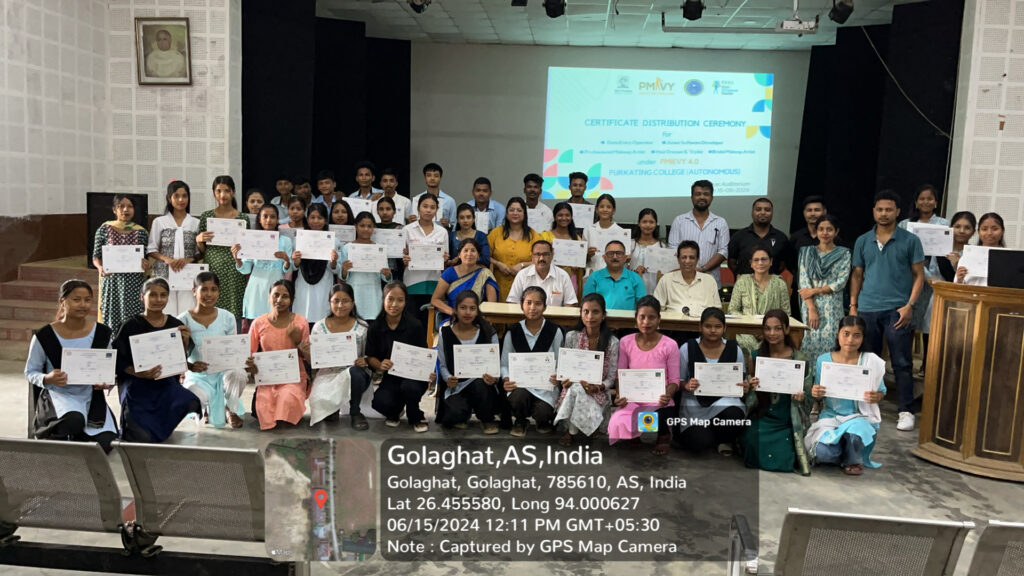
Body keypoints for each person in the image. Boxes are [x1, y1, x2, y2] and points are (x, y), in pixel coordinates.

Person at [850, 190, 924, 432]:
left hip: (897, 309)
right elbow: (857, 275)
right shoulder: (863, 240)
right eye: (880, 209)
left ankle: (906, 411)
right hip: (867, 308)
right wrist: (853, 305)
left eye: (889, 209)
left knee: (901, 362)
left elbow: (919, 275)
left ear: (897, 212)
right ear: (874, 211)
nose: (884, 214)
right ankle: (865, 407)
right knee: (867, 359)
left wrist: (910, 305)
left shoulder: (910, 240)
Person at [24, 280, 118, 452]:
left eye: (87, 300)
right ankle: (60, 433)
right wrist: (47, 378)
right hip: (59, 395)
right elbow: (30, 372)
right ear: (62, 301)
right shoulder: (45, 336)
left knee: (105, 444)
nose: (83, 305)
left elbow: (109, 370)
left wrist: (108, 381)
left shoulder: (102, 333)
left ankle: (75, 437)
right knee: (73, 421)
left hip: (91, 397)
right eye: (76, 299)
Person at [113, 278, 201, 443]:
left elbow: (179, 359)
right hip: (136, 384)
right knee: (141, 437)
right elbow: (117, 359)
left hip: (165, 381)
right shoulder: (130, 325)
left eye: (163, 295)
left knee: (190, 401)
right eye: (152, 295)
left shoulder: (175, 324)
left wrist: (185, 341)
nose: (158, 299)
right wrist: (139, 373)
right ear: (142, 297)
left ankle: (162, 426)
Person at [805, 315, 887, 476]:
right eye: (846, 334)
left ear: (863, 338)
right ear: (838, 334)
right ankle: (843, 448)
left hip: (859, 417)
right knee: (823, 453)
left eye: (857, 335)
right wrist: (816, 393)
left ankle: (852, 459)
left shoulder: (870, 361)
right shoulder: (824, 360)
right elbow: (818, 397)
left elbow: (881, 392)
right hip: (831, 418)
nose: (850, 340)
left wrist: (875, 397)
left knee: (855, 434)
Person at [741, 310, 813, 475]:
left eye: (777, 328)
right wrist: (751, 387)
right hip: (763, 414)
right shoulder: (756, 356)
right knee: (752, 441)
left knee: (784, 457)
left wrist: (801, 397)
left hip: (787, 418)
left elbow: (809, 397)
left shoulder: (800, 359)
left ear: (786, 329)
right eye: (767, 328)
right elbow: (749, 395)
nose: (772, 333)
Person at [607, 296, 680, 455]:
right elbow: (620, 374)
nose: (646, 322)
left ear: (659, 319)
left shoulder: (670, 345)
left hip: (658, 400)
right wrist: (620, 395)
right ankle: (634, 434)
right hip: (632, 399)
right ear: (636, 318)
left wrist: (667, 395)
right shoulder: (625, 342)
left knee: (658, 415)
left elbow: (674, 380)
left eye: (651, 317)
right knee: (617, 422)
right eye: (642, 317)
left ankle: (663, 435)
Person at [178, 272, 247, 429]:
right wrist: (186, 345)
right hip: (198, 376)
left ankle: (230, 409)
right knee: (193, 397)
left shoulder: (227, 317)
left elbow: (234, 349)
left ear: (219, 291)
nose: (209, 294)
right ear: (194, 291)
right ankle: (203, 409)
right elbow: (177, 357)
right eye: (204, 289)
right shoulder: (183, 320)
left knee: (239, 374)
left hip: (224, 372)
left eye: (214, 289)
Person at [677, 307, 748, 455]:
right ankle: (706, 434)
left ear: (724, 328)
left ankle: (724, 438)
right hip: (695, 405)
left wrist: (745, 386)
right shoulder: (687, 348)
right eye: (708, 326)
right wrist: (686, 385)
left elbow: (742, 380)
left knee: (734, 415)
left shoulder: (735, 349)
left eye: (718, 326)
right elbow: (678, 381)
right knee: (700, 443)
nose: (713, 330)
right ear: (700, 327)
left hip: (724, 402)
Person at [367, 282, 434, 432]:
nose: (394, 304)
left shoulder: (415, 325)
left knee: (409, 387)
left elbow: (424, 355)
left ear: (405, 302)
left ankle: (415, 414)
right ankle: (395, 412)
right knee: (380, 402)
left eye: (400, 300)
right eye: (390, 299)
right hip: (391, 377)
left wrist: (428, 371)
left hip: (414, 377)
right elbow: (370, 357)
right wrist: (380, 365)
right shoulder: (375, 327)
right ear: (383, 300)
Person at [245, 280, 311, 430]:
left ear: (292, 299)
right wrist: (250, 366)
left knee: (287, 398)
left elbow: (309, 358)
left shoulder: (300, 322)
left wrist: (298, 341)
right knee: (263, 407)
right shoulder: (258, 323)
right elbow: (248, 353)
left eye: (285, 296)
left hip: (294, 377)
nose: (279, 300)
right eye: (276, 295)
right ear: (269, 296)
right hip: (268, 377)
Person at [897, 184, 949, 373]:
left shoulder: (943, 224)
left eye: (930, 198)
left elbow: (943, 252)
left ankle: (928, 365)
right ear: (916, 202)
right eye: (922, 198)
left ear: (936, 202)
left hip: (935, 279)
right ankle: (905, 363)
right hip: (910, 278)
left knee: (930, 323)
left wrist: (930, 275)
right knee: (907, 322)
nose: (926, 202)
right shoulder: (904, 225)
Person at [554, 294, 618, 446]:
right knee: (577, 388)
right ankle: (583, 429)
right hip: (573, 387)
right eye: (586, 311)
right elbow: (565, 368)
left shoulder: (613, 342)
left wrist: (597, 387)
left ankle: (570, 431)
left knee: (579, 390)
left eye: (595, 312)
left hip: (599, 390)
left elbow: (610, 378)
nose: (590, 316)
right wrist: (564, 380)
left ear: (603, 315)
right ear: (581, 314)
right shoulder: (571, 337)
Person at [500, 286, 564, 437]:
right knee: (518, 398)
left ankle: (543, 421)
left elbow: (561, 362)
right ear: (521, 305)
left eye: (538, 303)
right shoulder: (513, 332)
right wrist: (506, 378)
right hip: (521, 385)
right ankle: (520, 420)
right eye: (528, 303)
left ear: (545, 307)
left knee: (543, 411)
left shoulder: (554, 331)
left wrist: (558, 375)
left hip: (545, 387)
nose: (533, 308)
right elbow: (504, 364)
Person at [307, 283, 372, 430]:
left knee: (355, 372)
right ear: (329, 302)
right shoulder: (319, 327)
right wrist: (307, 352)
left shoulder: (362, 327)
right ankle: (333, 407)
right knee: (326, 414)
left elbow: (369, 356)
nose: (340, 305)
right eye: (336, 301)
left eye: (345, 301)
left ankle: (355, 412)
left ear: (352, 303)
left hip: (355, 376)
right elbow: (314, 361)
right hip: (327, 375)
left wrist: (365, 360)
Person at [436, 291, 501, 433]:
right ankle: (463, 414)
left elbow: (496, 365)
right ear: (455, 309)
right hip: (457, 386)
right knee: (453, 416)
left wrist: (494, 378)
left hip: (482, 384)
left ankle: (486, 419)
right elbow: (442, 364)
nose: (467, 312)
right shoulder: (445, 333)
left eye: (472, 308)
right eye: (463, 307)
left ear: (477, 311)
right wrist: (448, 378)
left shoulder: (488, 332)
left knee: (480, 385)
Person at [92, 194, 151, 337]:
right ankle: (113, 345)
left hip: (134, 283)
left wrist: (146, 264)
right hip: (112, 282)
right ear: (114, 210)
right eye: (121, 206)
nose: (126, 210)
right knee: (112, 316)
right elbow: (96, 257)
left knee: (133, 318)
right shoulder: (104, 229)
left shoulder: (141, 232)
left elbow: (146, 258)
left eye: (129, 206)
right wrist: (100, 268)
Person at [797, 214, 851, 363]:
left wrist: (815, 290)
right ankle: (810, 376)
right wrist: (811, 308)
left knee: (831, 341)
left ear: (836, 231)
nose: (825, 233)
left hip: (832, 305)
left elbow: (840, 282)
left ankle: (827, 374)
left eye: (829, 229)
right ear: (816, 231)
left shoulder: (843, 253)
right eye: (821, 229)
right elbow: (804, 282)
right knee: (810, 340)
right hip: (810, 304)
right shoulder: (807, 253)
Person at [232, 205, 293, 334]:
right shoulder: (251, 240)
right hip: (256, 291)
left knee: (277, 332)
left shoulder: (285, 241)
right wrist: (237, 259)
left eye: (273, 217)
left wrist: (286, 260)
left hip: (277, 290)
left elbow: (288, 269)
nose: (269, 220)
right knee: (256, 332)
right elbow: (246, 269)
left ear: (277, 219)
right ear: (259, 219)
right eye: (265, 216)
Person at [196, 175, 249, 323]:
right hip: (213, 266)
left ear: (233, 192)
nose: (222, 195)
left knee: (234, 306)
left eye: (226, 190)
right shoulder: (206, 216)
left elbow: (247, 250)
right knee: (210, 300)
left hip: (234, 270)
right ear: (214, 193)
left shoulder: (243, 218)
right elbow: (202, 251)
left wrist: (240, 248)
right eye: (218, 191)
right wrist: (199, 240)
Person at [148, 180, 200, 316]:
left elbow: (199, 252)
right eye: (176, 196)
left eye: (184, 196)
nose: (181, 200)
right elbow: (151, 249)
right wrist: (167, 259)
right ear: (169, 198)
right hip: (164, 274)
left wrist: (189, 259)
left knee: (187, 311)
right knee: (166, 311)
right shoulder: (159, 222)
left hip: (187, 274)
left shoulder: (195, 223)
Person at [667, 180, 730, 286]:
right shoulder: (679, 221)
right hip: (682, 282)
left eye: (706, 194)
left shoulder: (721, 222)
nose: (702, 197)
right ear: (691, 197)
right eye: (698, 194)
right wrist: (690, 269)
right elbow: (673, 249)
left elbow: (724, 251)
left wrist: (703, 269)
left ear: (712, 198)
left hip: (710, 281)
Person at [730, 246, 791, 352]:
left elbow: (786, 313)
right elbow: (732, 310)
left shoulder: (780, 284)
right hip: (746, 331)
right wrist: (751, 324)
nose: (760, 263)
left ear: (771, 262)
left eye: (764, 259)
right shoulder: (742, 282)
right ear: (751, 263)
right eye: (756, 260)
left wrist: (768, 329)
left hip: (773, 332)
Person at [403, 194, 450, 327]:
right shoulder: (407, 230)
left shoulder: (442, 232)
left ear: (437, 210)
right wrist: (405, 259)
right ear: (418, 208)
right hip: (412, 282)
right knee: (412, 322)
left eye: (432, 207)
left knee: (430, 324)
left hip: (434, 282)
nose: (428, 210)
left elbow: (445, 258)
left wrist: (445, 259)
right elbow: (402, 256)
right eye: (425, 206)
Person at [292, 203, 339, 325]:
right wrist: (295, 262)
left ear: (326, 220)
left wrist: (334, 263)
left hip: (324, 284)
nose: (316, 221)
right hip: (303, 283)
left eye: (320, 218)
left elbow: (337, 270)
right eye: (312, 217)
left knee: (322, 319)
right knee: (302, 319)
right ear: (307, 219)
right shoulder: (298, 240)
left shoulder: (333, 241)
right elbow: (292, 267)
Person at [432, 238, 499, 324]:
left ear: (478, 255)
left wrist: (480, 318)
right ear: (459, 255)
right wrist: (453, 312)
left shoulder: (485, 274)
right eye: (465, 250)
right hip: (453, 318)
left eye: (473, 251)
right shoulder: (449, 272)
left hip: (478, 319)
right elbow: (435, 300)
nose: (469, 254)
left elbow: (492, 304)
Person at [339, 211, 392, 318]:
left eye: (369, 226)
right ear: (355, 226)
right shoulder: (347, 248)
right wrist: (344, 270)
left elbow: (386, 278)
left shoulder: (379, 249)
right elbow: (343, 277)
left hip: (373, 293)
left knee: (373, 322)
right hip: (354, 291)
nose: (366, 229)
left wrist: (387, 274)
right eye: (362, 226)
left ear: (374, 228)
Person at [489, 197, 542, 301]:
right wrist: (497, 264)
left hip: (525, 286)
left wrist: (523, 265)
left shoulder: (533, 235)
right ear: (506, 213)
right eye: (512, 210)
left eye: (519, 210)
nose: (515, 213)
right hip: (498, 284)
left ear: (524, 213)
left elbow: (540, 259)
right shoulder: (496, 233)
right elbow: (484, 255)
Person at [653, 241, 722, 316]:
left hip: (703, 322)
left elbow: (718, 310)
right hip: (673, 322)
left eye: (692, 258)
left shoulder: (709, 281)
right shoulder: (666, 280)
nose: (687, 261)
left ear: (697, 259)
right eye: (684, 257)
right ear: (678, 259)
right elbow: (656, 309)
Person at [788, 195, 829, 320]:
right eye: (809, 210)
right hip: (800, 292)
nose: (813, 213)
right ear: (804, 213)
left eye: (817, 210)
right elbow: (790, 264)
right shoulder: (796, 238)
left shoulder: (833, 239)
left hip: (825, 293)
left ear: (824, 212)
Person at [506, 239, 578, 307]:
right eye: (537, 254)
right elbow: (512, 301)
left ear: (552, 255)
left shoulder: (563, 275)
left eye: (545, 254)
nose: (541, 258)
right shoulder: (522, 275)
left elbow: (571, 303)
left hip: (555, 316)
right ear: (532, 256)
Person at [728, 197, 789, 276]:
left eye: (767, 210)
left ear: (772, 213)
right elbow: (731, 263)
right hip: (744, 282)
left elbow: (782, 266)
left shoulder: (781, 238)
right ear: (752, 212)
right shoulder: (738, 236)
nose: (763, 212)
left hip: (771, 282)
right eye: (758, 209)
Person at [583, 240, 646, 310]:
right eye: (611, 253)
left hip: (628, 317)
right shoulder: (594, 277)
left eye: (619, 253)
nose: (615, 257)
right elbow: (587, 305)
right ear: (604, 257)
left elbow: (643, 306)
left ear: (625, 258)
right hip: (601, 317)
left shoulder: (635, 278)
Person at [582, 194, 630, 275]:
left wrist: (626, 258)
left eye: (608, 207)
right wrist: (588, 255)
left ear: (613, 210)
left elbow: (624, 260)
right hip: (593, 274)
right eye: (601, 207)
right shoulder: (588, 230)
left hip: (614, 276)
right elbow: (581, 259)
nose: (605, 209)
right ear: (596, 209)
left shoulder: (621, 232)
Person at [956, 212, 1007, 284]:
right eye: (984, 229)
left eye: (995, 229)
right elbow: (958, 285)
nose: (989, 233)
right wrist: (959, 279)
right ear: (979, 231)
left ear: (1002, 231)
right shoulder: (968, 256)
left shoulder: (1008, 257)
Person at [545, 202, 584, 293]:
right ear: (554, 217)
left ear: (571, 217)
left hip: (571, 280)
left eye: (567, 215)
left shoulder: (577, 239)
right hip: (550, 280)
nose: (564, 218)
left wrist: (577, 265)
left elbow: (580, 264)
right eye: (560, 215)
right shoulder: (545, 237)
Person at [629, 208, 668, 296]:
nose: (648, 225)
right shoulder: (630, 244)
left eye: (651, 222)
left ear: (656, 224)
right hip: (632, 286)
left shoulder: (661, 246)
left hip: (654, 287)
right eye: (644, 222)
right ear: (639, 223)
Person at [410, 163, 456, 228]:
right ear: (425, 178)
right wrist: (411, 220)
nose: (432, 178)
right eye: (429, 175)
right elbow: (412, 223)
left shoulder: (449, 201)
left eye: (436, 176)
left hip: (442, 233)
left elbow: (454, 225)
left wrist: (447, 224)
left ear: (440, 178)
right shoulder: (417, 199)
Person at [936, 211, 977, 282]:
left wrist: (958, 265)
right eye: (957, 227)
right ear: (951, 229)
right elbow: (933, 276)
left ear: (973, 232)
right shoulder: (940, 251)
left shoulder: (975, 254)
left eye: (967, 228)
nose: (962, 231)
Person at [448, 203, 492, 268]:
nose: (465, 220)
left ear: (473, 219)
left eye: (468, 217)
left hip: (476, 271)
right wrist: (449, 261)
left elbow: (486, 259)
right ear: (457, 220)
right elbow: (447, 258)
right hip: (456, 271)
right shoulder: (451, 236)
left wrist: (462, 258)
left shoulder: (481, 236)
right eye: (462, 218)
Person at [375, 196, 405, 283]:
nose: (385, 212)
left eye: (388, 209)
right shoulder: (372, 228)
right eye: (381, 209)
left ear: (394, 211)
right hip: (376, 270)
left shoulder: (402, 229)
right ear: (377, 211)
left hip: (397, 271)